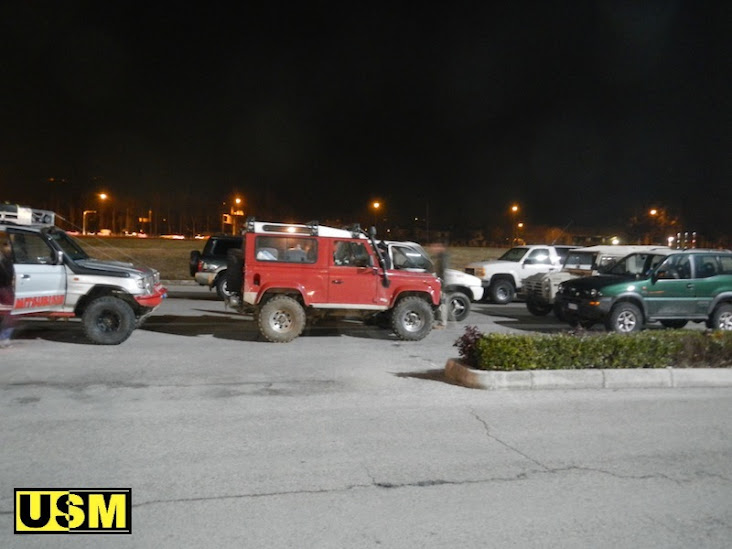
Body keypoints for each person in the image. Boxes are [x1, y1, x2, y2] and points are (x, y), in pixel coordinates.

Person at [0, 232, 16, 347]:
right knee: (12, 313)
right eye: (7, 245)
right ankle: (4, 338)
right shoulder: (3, 259)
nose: (10, 248)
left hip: (6, 287)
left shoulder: (8, 258)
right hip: (3, 287)